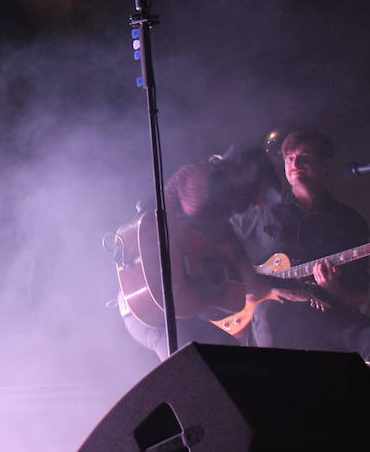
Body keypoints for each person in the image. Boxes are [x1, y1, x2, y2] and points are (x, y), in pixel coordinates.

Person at [232, 128, 370, 362]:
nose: (295, 163)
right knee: (269, 318)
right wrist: (254, 283)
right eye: (290, 158)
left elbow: (360, 294)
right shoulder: (262, 211)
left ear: (324, 165)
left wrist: (335, 289)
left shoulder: (349, 221)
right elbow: (222, 246)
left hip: (329, 314)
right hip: (274, 312)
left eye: (305, 157)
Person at [119, 144, 285, 358]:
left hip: (181, 312)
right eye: (260, 193)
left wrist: (247, 280)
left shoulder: (217, 215)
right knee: (196, 375)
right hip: (150, 309)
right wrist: (247, 274)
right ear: (251, 170)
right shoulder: (200, 176)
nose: (257, 205)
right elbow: (205, 218)